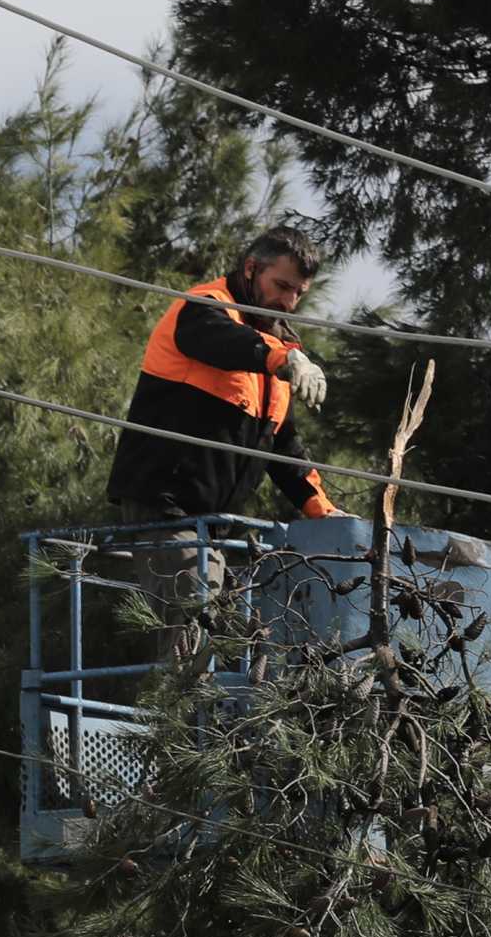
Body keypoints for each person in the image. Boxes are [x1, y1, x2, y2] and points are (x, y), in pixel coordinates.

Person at [104, 226, 349, 657]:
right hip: (166, 504)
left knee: (213, 625)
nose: (289, 302)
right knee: (195, 609)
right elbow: (224, 342)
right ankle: (180, 719)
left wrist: (322, 512)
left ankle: (188, 716)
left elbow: (282, 445)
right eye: (282, 286)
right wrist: (282, 359)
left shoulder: (277, 344)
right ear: (251, 269)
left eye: (299, 292)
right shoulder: (203, 308)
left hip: (211, 521)